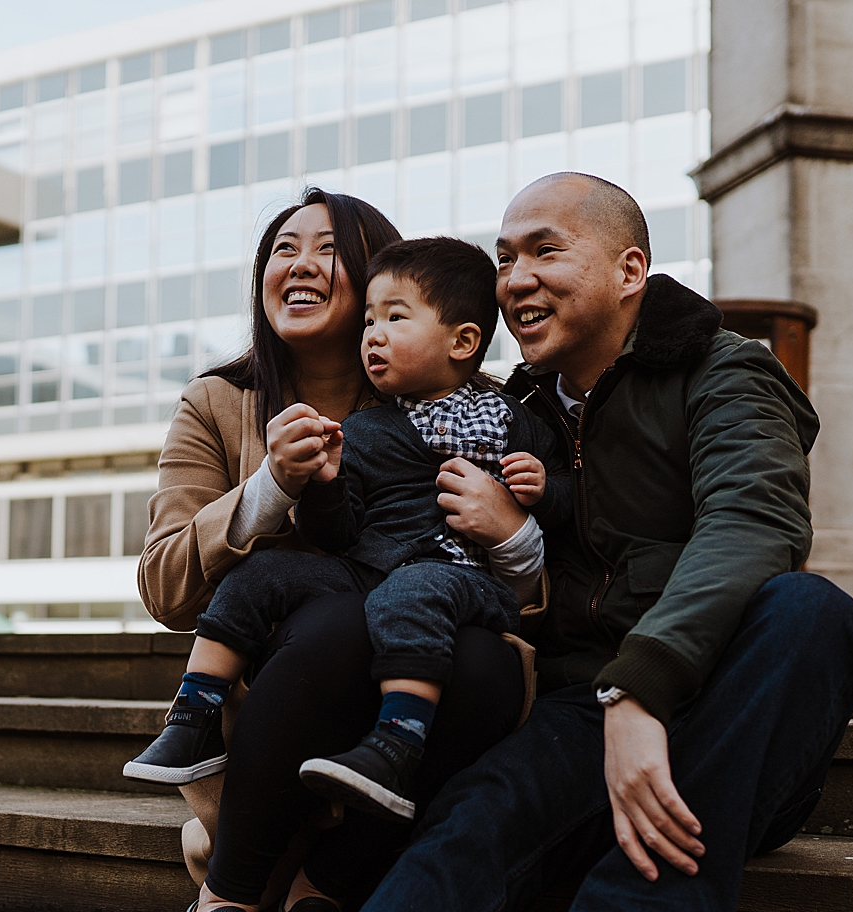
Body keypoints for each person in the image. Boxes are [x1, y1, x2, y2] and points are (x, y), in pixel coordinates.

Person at [168, 172, 853, 912]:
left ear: (630, 269)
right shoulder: (508, 414)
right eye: (503, 258)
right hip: (579, 712)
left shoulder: (721, 373)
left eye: (546, 250)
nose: (516, 279)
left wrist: (644, 691)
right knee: (459, 836)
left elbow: (755, 527)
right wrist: (506, 540)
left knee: (813, 615)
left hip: (718, 721)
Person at [138, 191, 554, 912]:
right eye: (280, 248)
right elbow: (164, 585)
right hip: (278, 692)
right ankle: (225, 897)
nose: (296, 264)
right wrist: (269, 489)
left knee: (485, 662)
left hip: (413, 680)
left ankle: (318, 889)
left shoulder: (459, 405)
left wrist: (510, 531)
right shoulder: (219, 403)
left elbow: (542, 592)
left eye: (325, 249)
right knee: (334, 623)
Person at [126, 237, 569, 826]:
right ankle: (192, 717)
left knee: (410, 595)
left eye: (393, 317)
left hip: (461, 578)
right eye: (370, 321)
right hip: (364, 574)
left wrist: (536, 499)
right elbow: (336, 532)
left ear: (461, 341)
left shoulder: (513, 414)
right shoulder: (361, 427)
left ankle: (396, 743)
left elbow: (566, 506)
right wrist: (316, 486)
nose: (374, 335)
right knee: (266, 572)